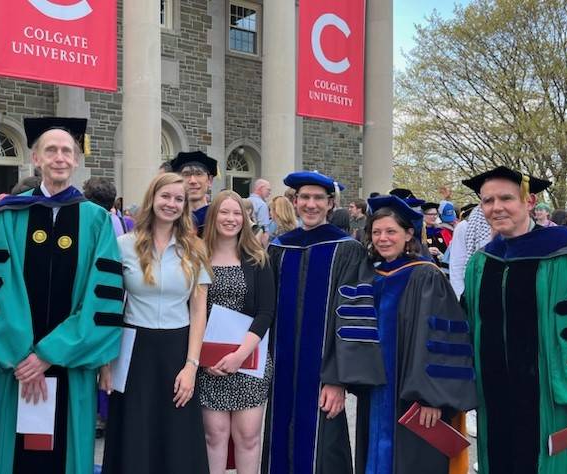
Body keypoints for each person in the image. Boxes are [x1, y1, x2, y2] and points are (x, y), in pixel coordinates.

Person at [0, 117, 124, 474]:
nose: (60, 157)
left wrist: (50, 354)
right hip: (19, 365)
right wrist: (25, 356)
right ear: (35, 158)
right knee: (17, 451)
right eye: (51, 150)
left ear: (76, 161)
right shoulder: (8, 216)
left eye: (67, 151)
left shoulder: (96, 220)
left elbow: (101, 299)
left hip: (71, 362)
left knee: (66, 453)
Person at [461, 166, 567, 473]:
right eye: (488, 200)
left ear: (530, 201)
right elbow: (467, 330)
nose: (496, 207)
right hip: (494, 398)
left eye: (506, 198)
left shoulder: (565, 255)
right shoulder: (482, 262)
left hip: (553, 400)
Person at [263, 171, 377, 474]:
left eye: (318, 199)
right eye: (305, 198)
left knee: (324, 449)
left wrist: (338, 379)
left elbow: (353, 318)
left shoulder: (346, 250)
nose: (310, 204)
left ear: (330, 204)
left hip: (323, 375)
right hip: (281, 374)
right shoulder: (279, 248)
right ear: (295, 202)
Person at [355, 195, 475, 474]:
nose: (383, 238)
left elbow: (441, 343)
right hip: (375, 393)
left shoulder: (427, 277)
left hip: (415, 400)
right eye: (376, 232)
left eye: (391, 231)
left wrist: (431, 398)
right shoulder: (371, 276)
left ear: (409, 234)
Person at [101, 172, 212, 474]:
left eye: (179, 199)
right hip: (133, 349)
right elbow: (109, 304)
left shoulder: (195, 248)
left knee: (177, 437)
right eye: (166, 196)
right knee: (134, 434)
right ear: (152, 199)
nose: (171, 204)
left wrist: (191, 365)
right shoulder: (123, 245)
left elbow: (199, 309)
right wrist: (106, 362)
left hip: (178, 349)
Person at [198, 190, 275, 474]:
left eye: (236, 214)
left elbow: (266, 312)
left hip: (249, 362)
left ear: (245, 219)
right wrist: (203, 360)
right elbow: (191, 313)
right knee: (214, 436)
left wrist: (240, 356)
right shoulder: (197, 257)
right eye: (224, 212)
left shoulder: (257, 258)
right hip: (209, 366)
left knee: (247, 438)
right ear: (213, 216)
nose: (230, 219)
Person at [170, 150, 218, 236]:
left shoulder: (218, 217)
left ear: (210, 181)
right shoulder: (170, 219)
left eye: (199, 174)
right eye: (186, 174)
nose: (192, 181)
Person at [421, 202, 449, 269]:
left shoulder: (441, 231)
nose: (435, 217)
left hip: (443, 269)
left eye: (436, 214)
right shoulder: (419, 232)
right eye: (431, 214)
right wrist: (426, 251)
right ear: (423, 215)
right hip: (426, 268)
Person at [248, 178, 272, 245]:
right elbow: (264, 230)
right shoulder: (262, 205)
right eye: (268, 190)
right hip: (256, 243)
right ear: (261, 188)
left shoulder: (245, 201)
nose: (270, 193)